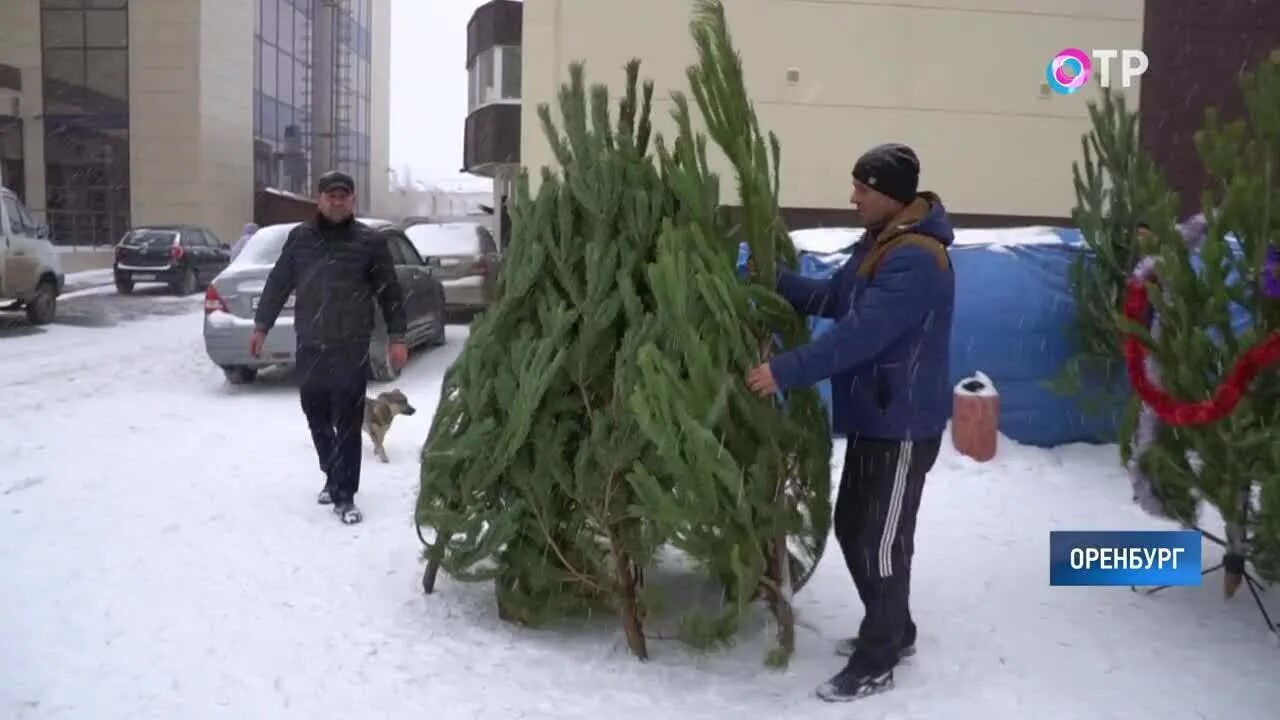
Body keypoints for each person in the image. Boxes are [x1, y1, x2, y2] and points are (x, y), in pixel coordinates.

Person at [744, 143, 955, 702]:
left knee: (881, 542)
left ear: (891, 194)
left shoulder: (917, 258)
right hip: (875, 415)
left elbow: (862, 332)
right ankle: (896, 629)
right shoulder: (877, 245)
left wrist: (785, 371)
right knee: (853, 528)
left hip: (904, 422)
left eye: (863, 188)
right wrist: (766, 274)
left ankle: (878, 657)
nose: (853, 197)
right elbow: (830, 298)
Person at [250, 170, 409, 525]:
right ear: (319, 200)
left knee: (348, 421)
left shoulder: (370, 242)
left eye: (343, 196)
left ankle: (345, 495)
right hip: (311, 345)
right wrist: (262, 326)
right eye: (330, 195)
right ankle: (331, 474)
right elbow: (278, 283)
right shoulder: (300, 239)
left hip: (350, 347)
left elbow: (390, 292)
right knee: (316, 415)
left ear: (352, 200)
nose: (337, 202)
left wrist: (398, 337)